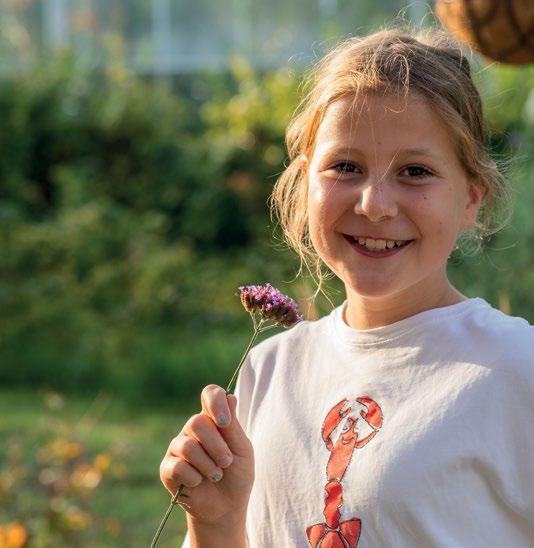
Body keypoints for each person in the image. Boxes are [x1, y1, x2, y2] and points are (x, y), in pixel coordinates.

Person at [160, 25, 534, 548]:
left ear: (472, 197)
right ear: (305, 182)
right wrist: (215, 525)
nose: (374, 205)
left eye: (415, 171)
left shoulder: (517, 369)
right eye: (346, 167)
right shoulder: (268, 370)